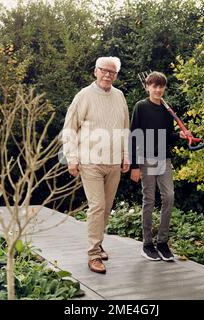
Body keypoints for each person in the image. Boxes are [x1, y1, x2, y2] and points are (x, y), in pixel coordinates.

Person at [62, 56, 130, 274]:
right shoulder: (84, 96)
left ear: (116, 76)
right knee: (97, 206)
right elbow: (70, 127)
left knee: (106, 208)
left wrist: (126, 155)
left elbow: (125, 128)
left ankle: (98, 243)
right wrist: (71, 157)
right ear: (95, 71)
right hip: (90, 161)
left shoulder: (119, 96)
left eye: (112, 72)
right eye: (104, 70)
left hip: (113, 162)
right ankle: (93, 254)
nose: (108, 75)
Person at [130, 71, 187, 262]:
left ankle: (162, 242)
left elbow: (168, 135)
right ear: (147, 87)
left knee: (169, 196)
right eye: (154, 86)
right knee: (149, 200)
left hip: (163, 158)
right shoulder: (141, 107)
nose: (158, 89)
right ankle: (147, 244)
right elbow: (134, 136)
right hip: (146, 159)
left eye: (161, 86)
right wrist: (135, 165)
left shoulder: (166, 109)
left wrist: (179, 135)